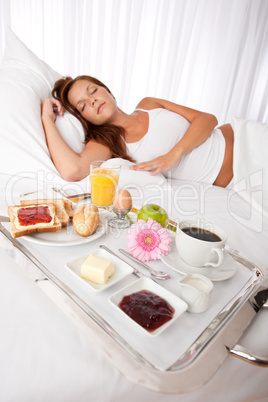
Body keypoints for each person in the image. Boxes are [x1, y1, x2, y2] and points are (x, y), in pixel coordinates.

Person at [41, 75, 234, 187]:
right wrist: (47, 119)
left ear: (109, 91)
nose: (92, 100)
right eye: (83, 106)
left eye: (93, 91)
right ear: (85, 119)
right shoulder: (108, 144)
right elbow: (72, 171)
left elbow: (208, 119)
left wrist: (174, 154)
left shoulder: (148, 104)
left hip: (243, 137)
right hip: (236, 179)